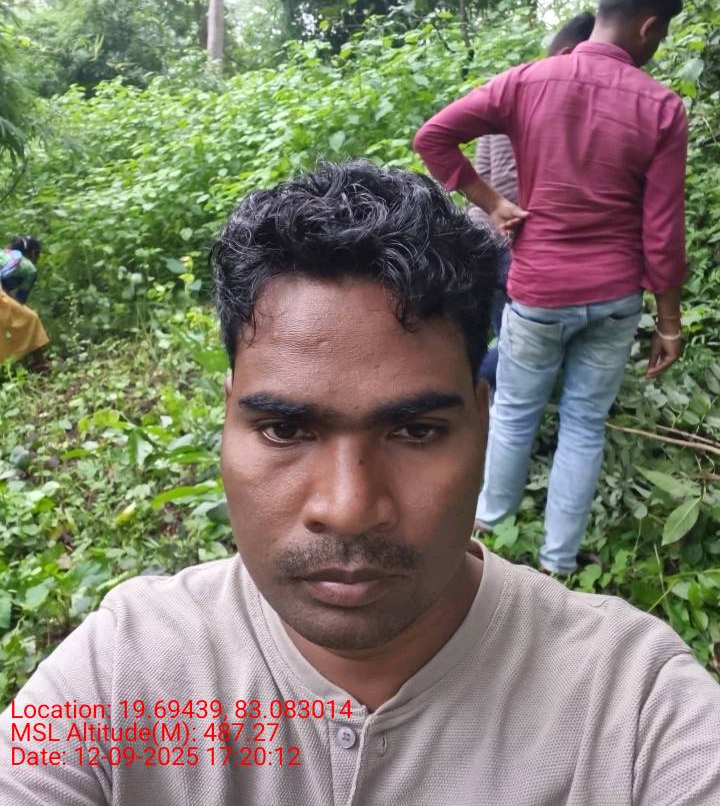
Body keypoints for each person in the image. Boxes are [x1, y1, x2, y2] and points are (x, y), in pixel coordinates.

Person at [2, 161, 719, 806]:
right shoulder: (124, 667)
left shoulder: (635, 709)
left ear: (482, 421)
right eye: (284, 430)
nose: (348, 509)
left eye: (416, 432)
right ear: (227, 419)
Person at [414, 0, 687, 575]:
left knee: (514, 412)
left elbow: (433, 137)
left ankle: (486, 539)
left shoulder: (527, 81)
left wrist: (492, 203)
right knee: (585, 424)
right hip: (616, 296)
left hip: (540, 289)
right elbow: (663, 231)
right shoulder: (661, 107)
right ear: (649, 27)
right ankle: (558, 563)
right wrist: (668, 322)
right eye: (662, 33)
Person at [472, 12, 596, 388]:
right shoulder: (538, 95)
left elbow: (484, 173)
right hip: (511, 245)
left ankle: (474, 394)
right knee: (522, 354)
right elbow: (510, 185)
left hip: (486, 238)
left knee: (512, 345)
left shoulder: (511, 87)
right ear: (571, 54)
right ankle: (459, 384)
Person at [0, 236, 49, 366]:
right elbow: (20, 299)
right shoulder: (29, 267)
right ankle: (40, 362)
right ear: (33, 253)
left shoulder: (4, 254)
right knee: (31, 318)